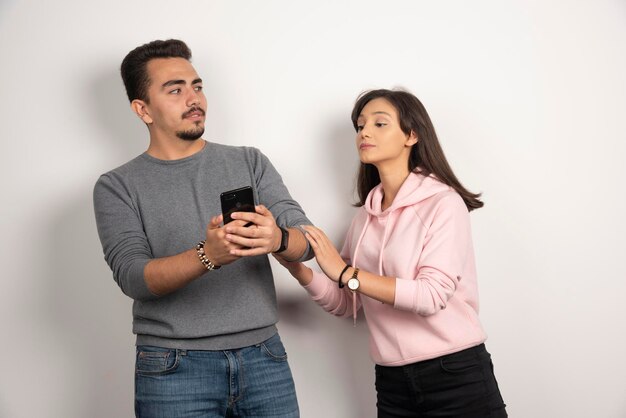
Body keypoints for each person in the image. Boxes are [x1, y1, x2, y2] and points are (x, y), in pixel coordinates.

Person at [93, 39, 312, 418]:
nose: (193, 98)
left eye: (197, 86)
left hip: (264, 357)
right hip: (172, 368)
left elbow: (308, 243)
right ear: (142, 109)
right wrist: (207, 256)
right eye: (175, 90)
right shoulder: (117, 186)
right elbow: (133, 277)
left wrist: (278, 238)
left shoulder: (249, 161)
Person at [276, 89, 508, 417]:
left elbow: (431, 296)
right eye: (360, 126)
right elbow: (347, 304)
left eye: (379, 123)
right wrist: (297, 269)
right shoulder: (363, 220)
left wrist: (345, 274)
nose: (365, 132)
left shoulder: (443, 203)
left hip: (455, 374)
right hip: (391, 382)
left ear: (412, 135)